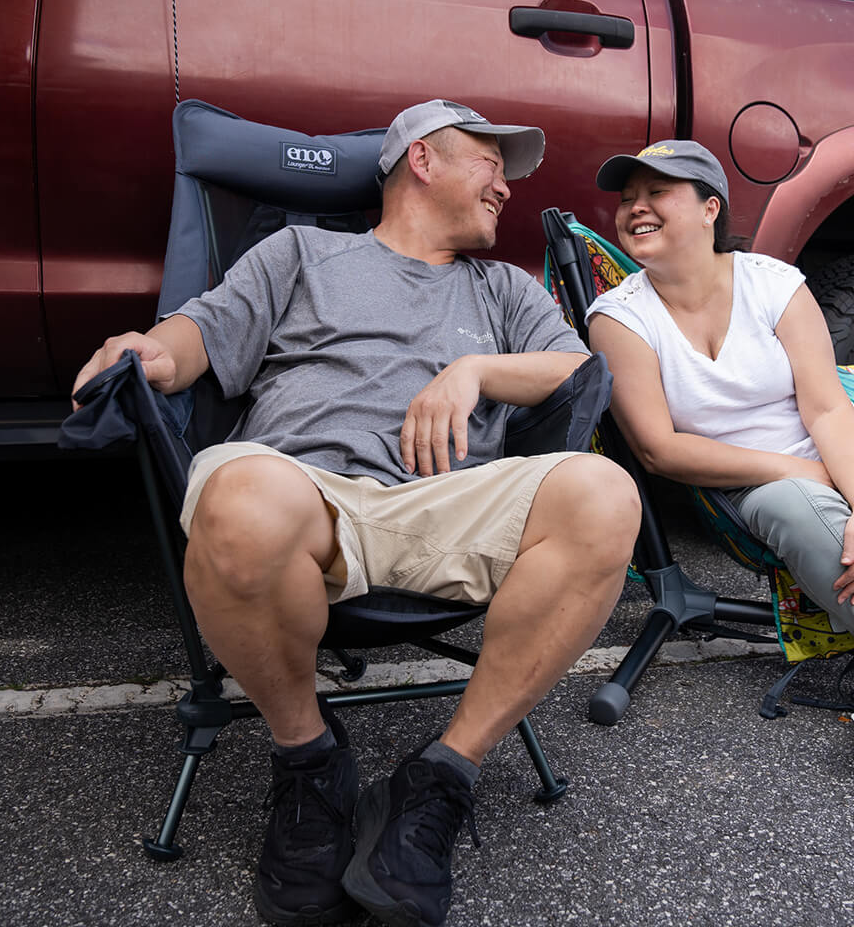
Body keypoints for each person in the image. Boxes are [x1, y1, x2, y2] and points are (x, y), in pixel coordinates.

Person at [74, 100, 640, 927]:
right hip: (310, 498)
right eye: (489, 162)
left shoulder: (505, 290)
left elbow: (577, 375)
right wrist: (145, 349)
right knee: (236, 492)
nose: (507, 188)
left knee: (606, 494)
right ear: (421, 159)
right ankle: (311, 767)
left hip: (449, 507)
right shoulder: (300, 253)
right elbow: (195, 337)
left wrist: (475, 369)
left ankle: (440, 777)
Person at [586, 139, 854, 641]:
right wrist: (802, 471)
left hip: (842, 453)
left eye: (657, 191)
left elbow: (828, 409)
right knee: (806, 515)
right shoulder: (620, 318)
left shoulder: (774, 285)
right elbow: (658, 449)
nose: (635, 207)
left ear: (711, 209)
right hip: (763, 486)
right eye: (627, 198)